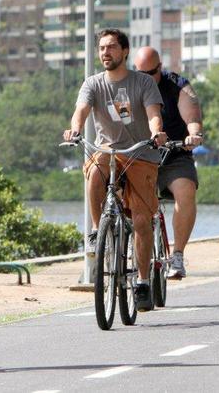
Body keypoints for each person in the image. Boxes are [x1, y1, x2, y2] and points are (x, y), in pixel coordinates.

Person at [63, 29, 166, 312]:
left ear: (125, 51)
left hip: (141, 154)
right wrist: (75, 129)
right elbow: (81, 111)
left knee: (143, 221)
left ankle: (143, 281)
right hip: (108, 153)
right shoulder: (93, 84)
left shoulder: (143, 82)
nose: (105, 53)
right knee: (95, 170)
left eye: (111, 47)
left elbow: (153, 114)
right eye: (101, 48)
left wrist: (157, 133)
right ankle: (98, 229)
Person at [133, 47, 203, 279]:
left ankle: (178, 255)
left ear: (160, 68)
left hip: (174, 153)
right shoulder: (128, 85)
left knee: (185, 191)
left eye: (150, 74)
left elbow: (191, 114)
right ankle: (114, 244)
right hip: (138, 155)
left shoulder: (177, 85)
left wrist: (193, 134)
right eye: (140, 74)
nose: (145, 80)